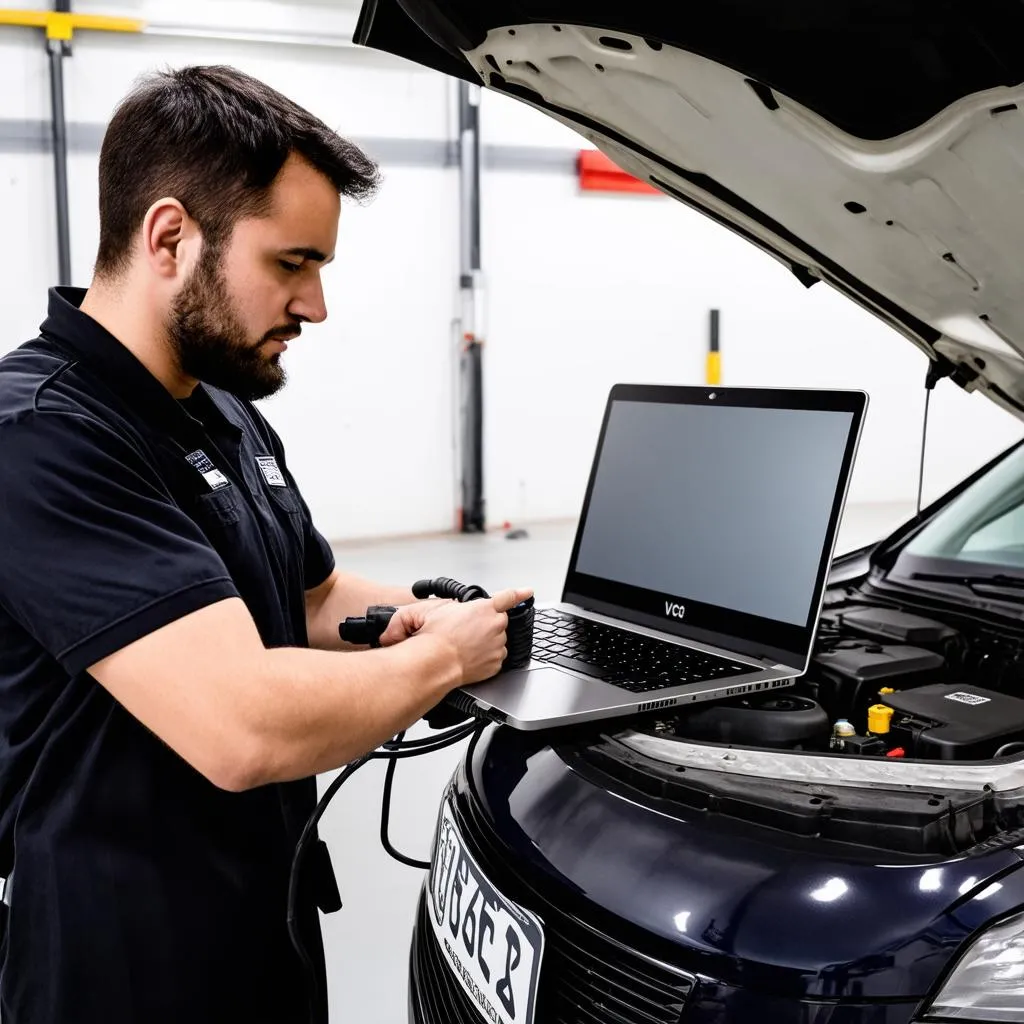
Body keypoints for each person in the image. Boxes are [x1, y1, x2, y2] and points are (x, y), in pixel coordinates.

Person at [0, 65, 531, 1024]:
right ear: (171, 237)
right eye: (292, 263)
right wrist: (444, 660)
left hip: (260, 920)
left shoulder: (222, 410)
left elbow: (312, 595)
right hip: (118, 962)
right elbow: (242, 727)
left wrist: (421, 619)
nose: (316, 304)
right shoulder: (39, 436)